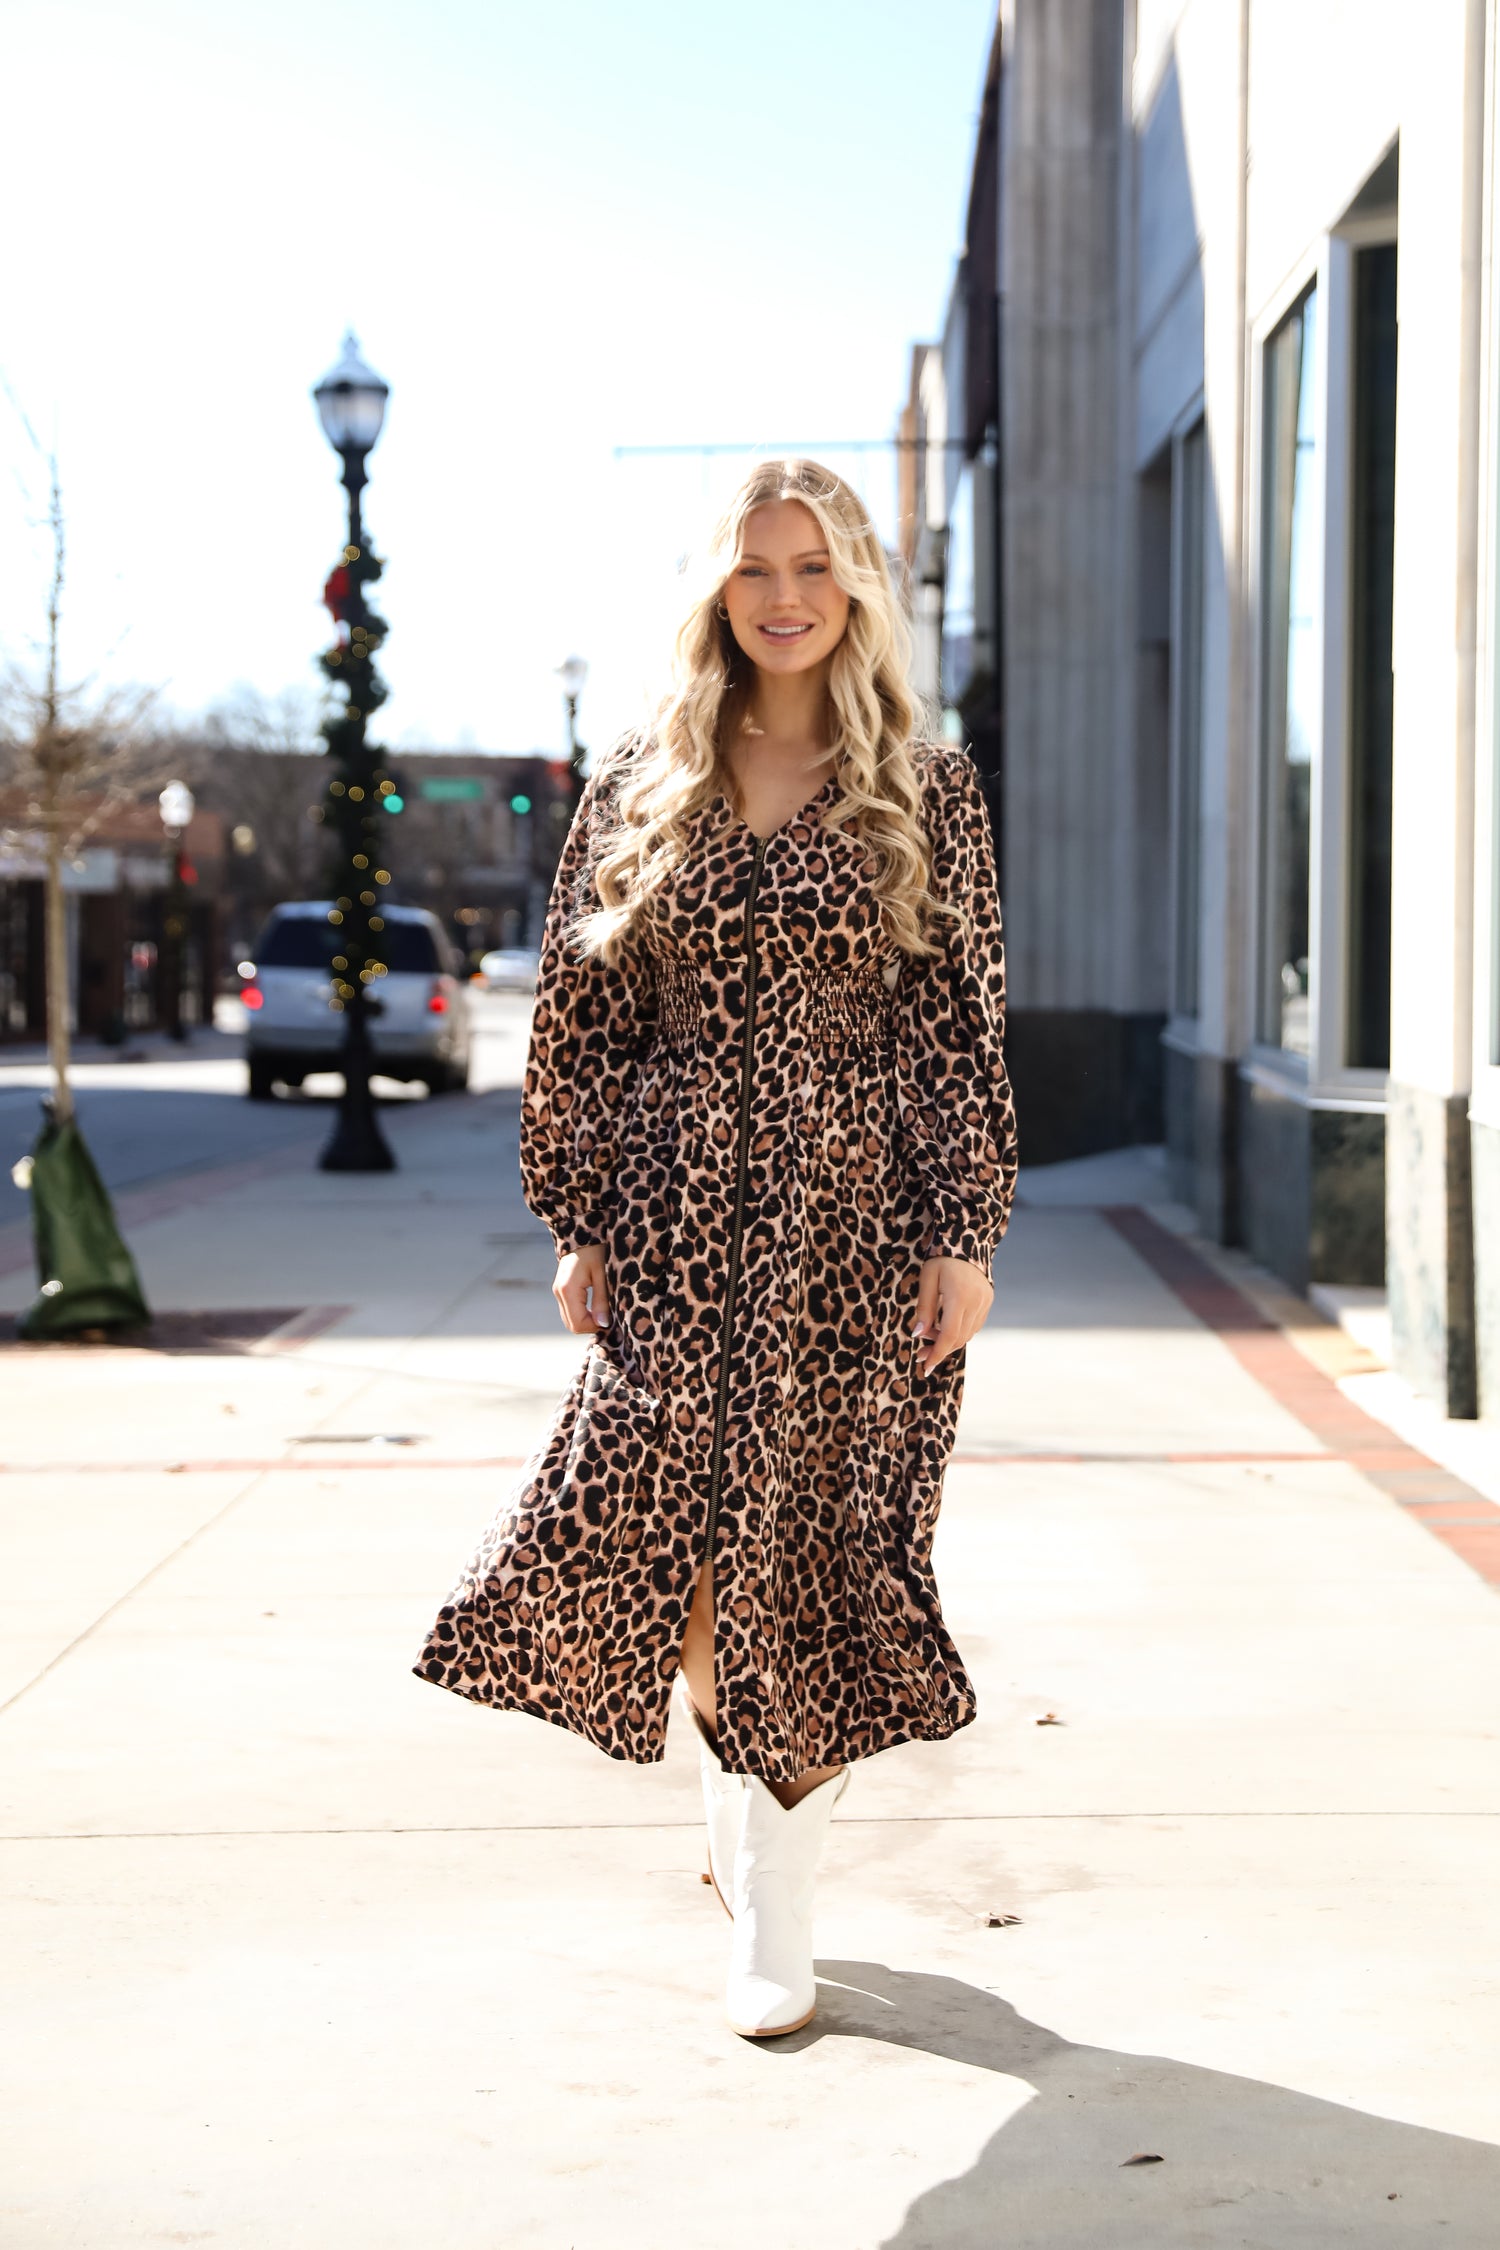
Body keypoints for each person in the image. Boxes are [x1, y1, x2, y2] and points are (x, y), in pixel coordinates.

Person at [414, 458, 1019, 2039]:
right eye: (756, 569)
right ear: (716, 593)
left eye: (814, 567)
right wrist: (579, 1214)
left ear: (860, 587)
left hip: (856, 1234)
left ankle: (778, 1896)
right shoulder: (641, 778)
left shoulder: (929, 787)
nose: (786, 596)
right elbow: (579, 1021)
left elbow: (960, 1031)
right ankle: (756, 1841)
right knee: (679, 1555)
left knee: (811, 1570)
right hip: (677, 1234)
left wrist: (965, 1231)